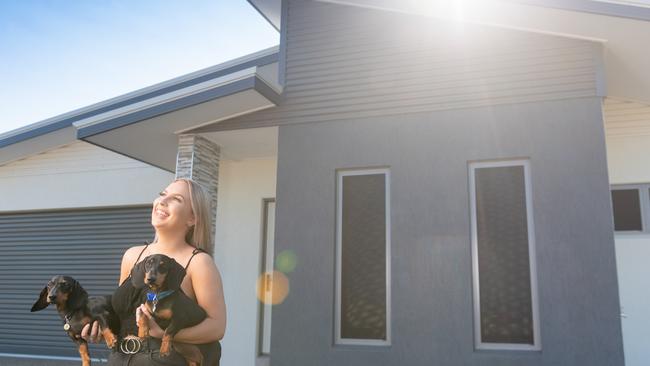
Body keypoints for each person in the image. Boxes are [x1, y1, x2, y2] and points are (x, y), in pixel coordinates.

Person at [81, 178, 226, 365]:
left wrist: (163, 333)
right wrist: (101, 328)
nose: (162, 201)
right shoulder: (132, 256)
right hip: (119, 359)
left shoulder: (199, 262)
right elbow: (124, 315)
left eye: (176, 199)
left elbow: (216, 328)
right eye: (163, 195)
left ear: (193, 218)